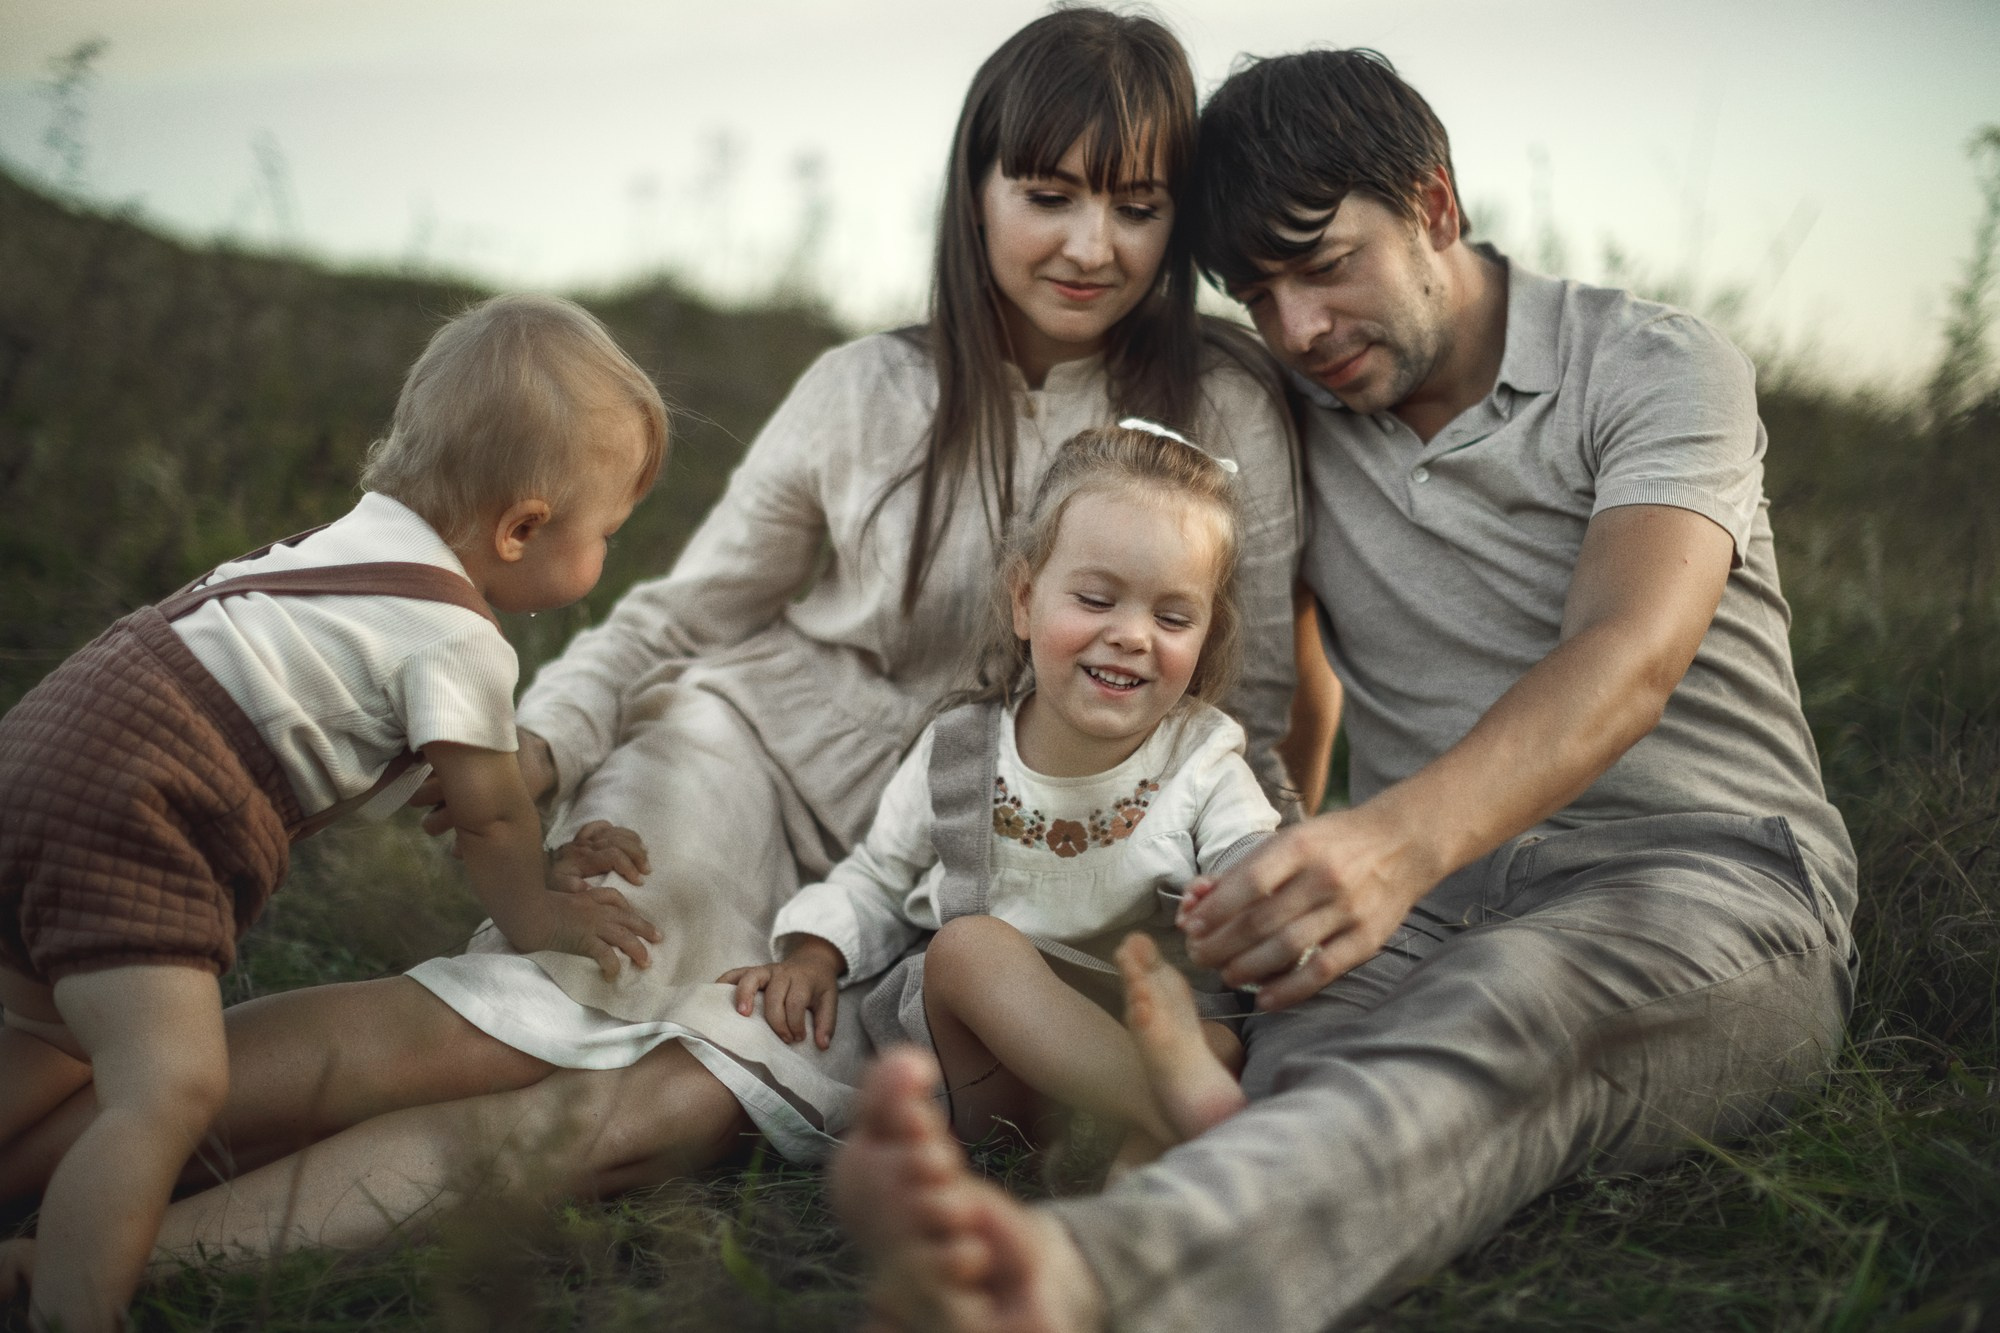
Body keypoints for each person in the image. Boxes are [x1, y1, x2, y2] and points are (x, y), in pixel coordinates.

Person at [0, 8, 1313, 1266]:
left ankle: (109, 1268)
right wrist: (545, 747)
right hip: (742, 759)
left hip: (946, 865)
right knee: (541, 1016)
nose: (1092, 244)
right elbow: (687, 612)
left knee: (645, 1123)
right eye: (1051, 194)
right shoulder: (866, 388)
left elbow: (1242, 720)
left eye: (1136, 207)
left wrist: (1248, 929)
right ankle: (52, 1165)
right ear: (978, 192)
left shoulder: (1225, 406)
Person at [832, 47, 1858, 1333]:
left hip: (1701, 875)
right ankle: (1084, 1229)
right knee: (1280, 1070)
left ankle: (1080, 1277)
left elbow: (1626, 656)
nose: (1299, 329)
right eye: (1258, 294)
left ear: (1434, 203)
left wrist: (1382, 841)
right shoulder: (1299, 407)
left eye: (1324, 266)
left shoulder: (1654, 366)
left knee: (1513, 1008)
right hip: (1423, 905)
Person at [0, 292, 666, 1330]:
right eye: (607, 535)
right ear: (522, 526)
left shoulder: (346, 546)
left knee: (47, 1030)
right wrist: (538, 910)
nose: (605, 559)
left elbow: (363, 736)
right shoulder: (462, 641)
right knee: (166, 1086)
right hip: (141, 802)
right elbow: (488, 818)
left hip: (44, 745)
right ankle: (65, 1301)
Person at [722, 423, 1274, 1165]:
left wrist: (1250, 900)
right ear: (1023, 599)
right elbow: (880, 875)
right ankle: (1165, 1106)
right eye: (1096, 598)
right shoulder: (964, 750)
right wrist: (816, 953)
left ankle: (1123, 1187)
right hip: (998, 1082)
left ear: (1207, 633)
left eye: (1172, 617)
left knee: (1208, 1034)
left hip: (1151, 1021)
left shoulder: (1202, 756)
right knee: (968, 947)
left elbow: (1257, 865)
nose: (1132, 635)